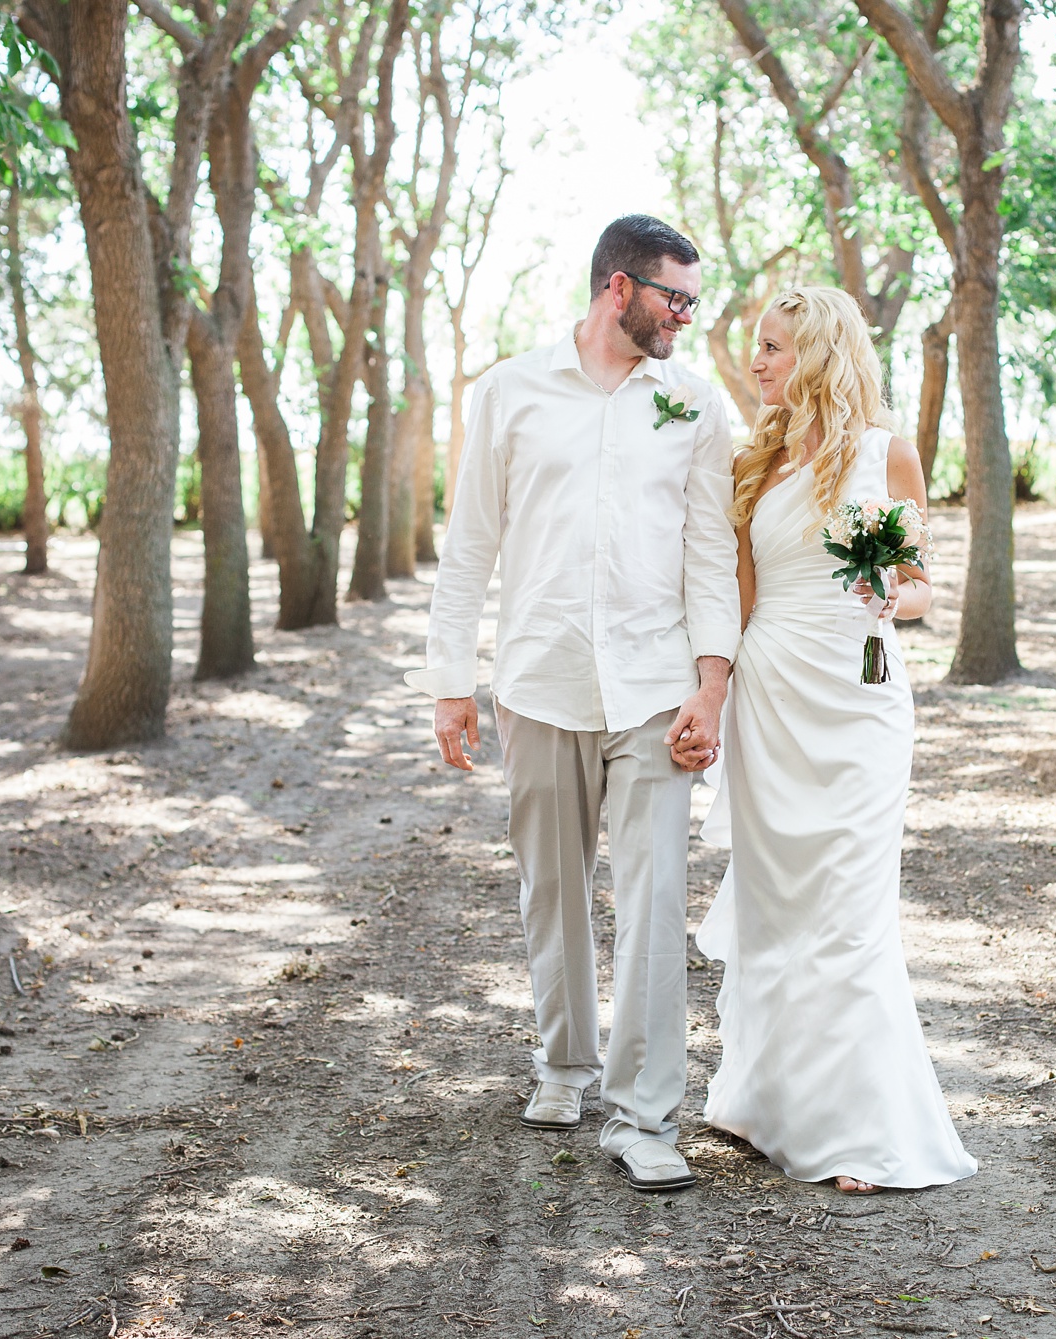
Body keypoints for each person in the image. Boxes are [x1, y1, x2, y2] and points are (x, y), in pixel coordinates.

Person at [408, 215, 739, 1193]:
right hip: (540, 684)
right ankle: (562, 1065)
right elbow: (468, 542)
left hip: (654, 690)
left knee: (650, 902)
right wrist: (449, 682)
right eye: (672, 297)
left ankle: (645, 1117)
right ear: (616, 288)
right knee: (550, 886)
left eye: (691, 298)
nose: (685, 315)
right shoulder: (509, 392)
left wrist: (710, 684)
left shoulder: (694, 402)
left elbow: (710, 552)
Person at [695, 286, 977, 1195]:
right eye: (755, 348)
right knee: (780, 910)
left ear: (818, 353)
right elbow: (736, 603)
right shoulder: (751, 463)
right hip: (772, 698)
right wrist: (709, 697)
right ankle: (767, 1101)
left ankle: (858, 1130)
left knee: (851, 908)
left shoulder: (888, 455)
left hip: (860, 698)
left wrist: (896, 596)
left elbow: (923, 585)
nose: (758, 363)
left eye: (773, 347)